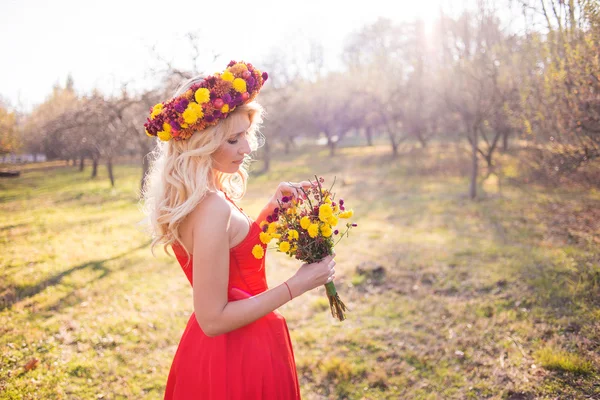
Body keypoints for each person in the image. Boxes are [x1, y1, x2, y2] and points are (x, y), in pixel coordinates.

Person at [141, 60, 336, 399]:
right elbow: (213, 319)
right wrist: (298, 285)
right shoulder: (211, 207)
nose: (246, 148)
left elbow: (236, 260)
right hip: (239, 353)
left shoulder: (201, 198)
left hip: (220, 350)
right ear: (200, 143)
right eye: (233, 140)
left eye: (245, 134)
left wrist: (272, 211)